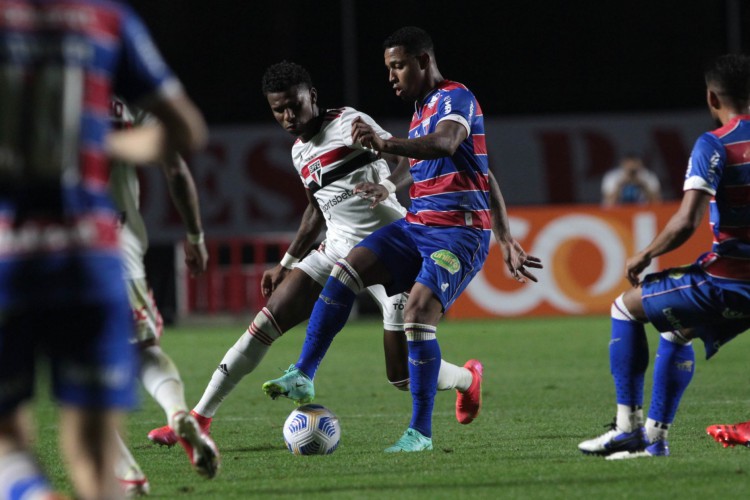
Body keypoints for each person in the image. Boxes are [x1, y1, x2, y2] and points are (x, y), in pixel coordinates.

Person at [147, 60, 486, 449]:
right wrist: (288, 262)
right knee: (263, 325)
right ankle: (198, 420)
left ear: (313, 97)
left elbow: (408, 160)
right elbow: (315, 209)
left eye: (295, 105)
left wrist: (387, 185)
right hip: (338, 248)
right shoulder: (298, 152)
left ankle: (467, 379)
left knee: (401, 376)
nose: (289, 116)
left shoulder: (347, 122)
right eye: (279, 110)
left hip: (390, 248)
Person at [262, 27, 541, 452]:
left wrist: (501, 238)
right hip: (417, 224)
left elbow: (446, 145)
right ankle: (303, 371)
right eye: (388, 67)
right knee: (347, 268)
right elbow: (479, 170)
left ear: (423, 61)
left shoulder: (455, 98)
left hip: (458, 234)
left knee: (417, 314)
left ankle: (420, 434)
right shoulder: (422, 109)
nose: (391, 76)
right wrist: (390, 183)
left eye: (398, 66)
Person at [0, 1, 208, 498]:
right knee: (96, 464)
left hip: (8, 257)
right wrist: (99, 145)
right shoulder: (106, 20)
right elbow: (186, 131)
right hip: (91, 256)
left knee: (8, 441)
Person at [578, 54, 750, 460]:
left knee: (625, 308)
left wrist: (645, 254)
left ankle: (627, 429)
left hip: (728, 281)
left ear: (711, 97)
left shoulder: (716, 143)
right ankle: (654, 440)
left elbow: (686, 220)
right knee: (676, 332)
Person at [109, 98, 217, 495]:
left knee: (72, 372)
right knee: (144, 349)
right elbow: (175, 164)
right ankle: (176, 412)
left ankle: (127, 471)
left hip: (38, 247)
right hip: (115, 246)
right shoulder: (120, 98)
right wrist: (195, 236)